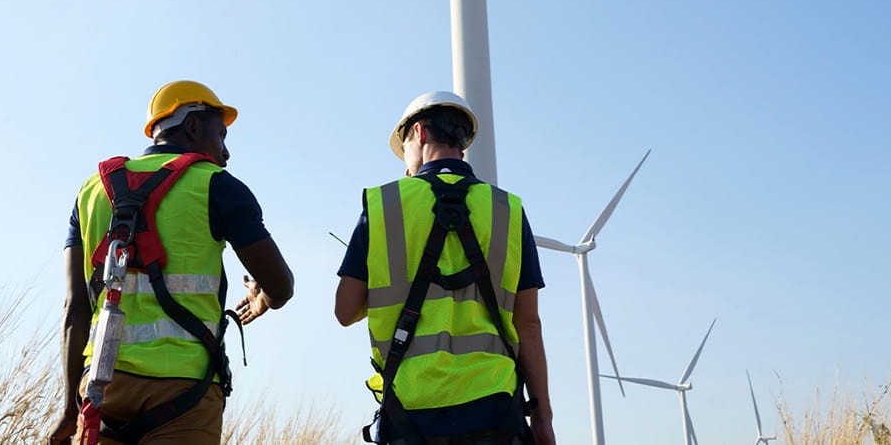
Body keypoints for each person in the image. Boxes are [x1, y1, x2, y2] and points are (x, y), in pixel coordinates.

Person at [48, 80, 294, 445]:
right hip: (185, 393)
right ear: (193, 126)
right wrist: (261, 299)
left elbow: (75, 307)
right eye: (221, 135)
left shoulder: (91, 191)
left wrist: (70, 408)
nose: (225, 153)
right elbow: (281, 287)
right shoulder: (218, 186)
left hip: (102, 389)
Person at [335, 91, 555, 445]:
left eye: (403, 149)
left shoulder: (383, 205)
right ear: (463, 145)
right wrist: (542, 417)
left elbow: (344, 311)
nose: (404, 165)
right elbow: (528, 324)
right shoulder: (508, 210)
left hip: (410, 409)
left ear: (419, 133)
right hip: (495, 407)